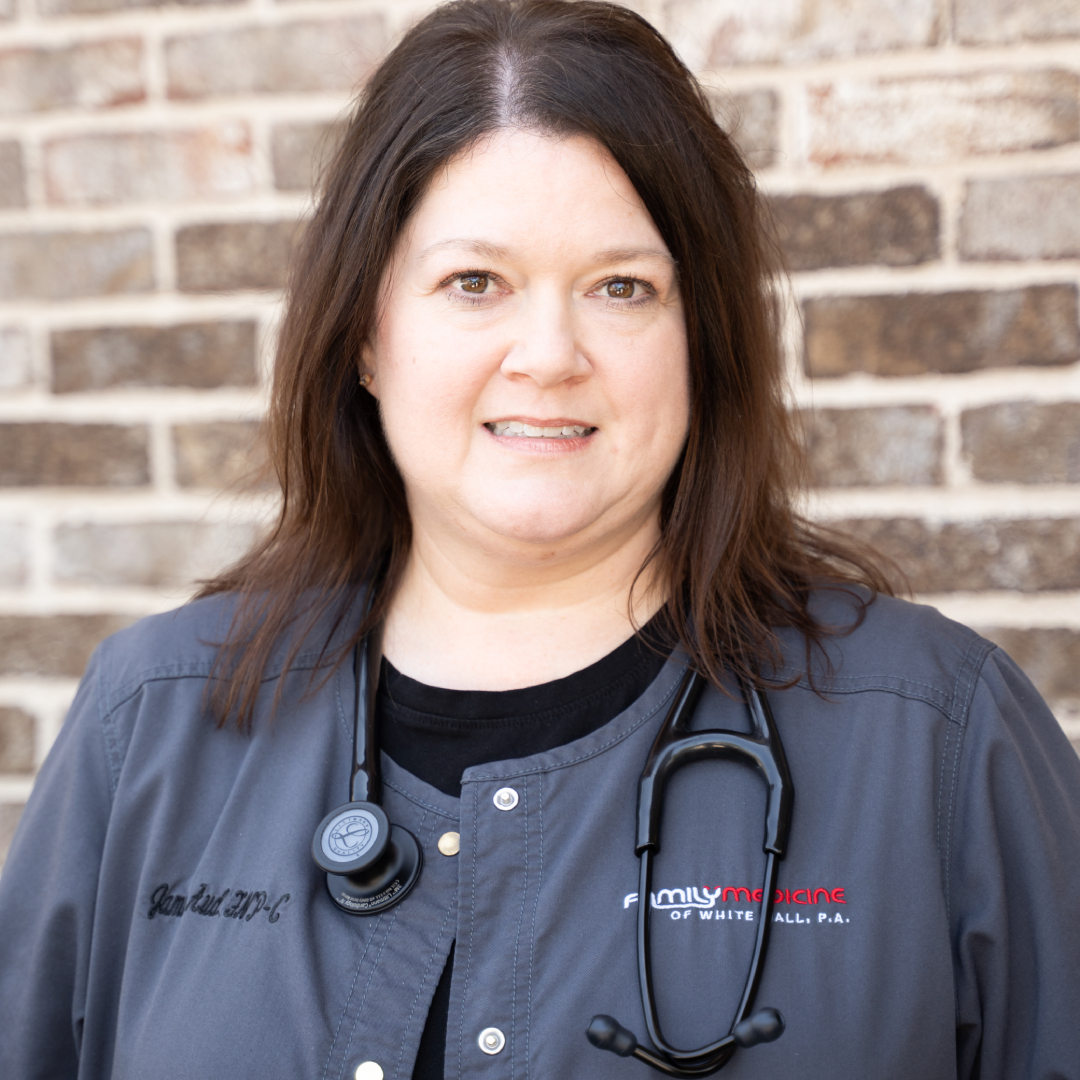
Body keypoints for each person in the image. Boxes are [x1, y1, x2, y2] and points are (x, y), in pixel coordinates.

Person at [2, 1, 1079, 1077]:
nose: (549, 353)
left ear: (700, 341)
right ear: (366, 336)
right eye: (476, 282)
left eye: (623, 287)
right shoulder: (147, 725)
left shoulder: (937, 739)